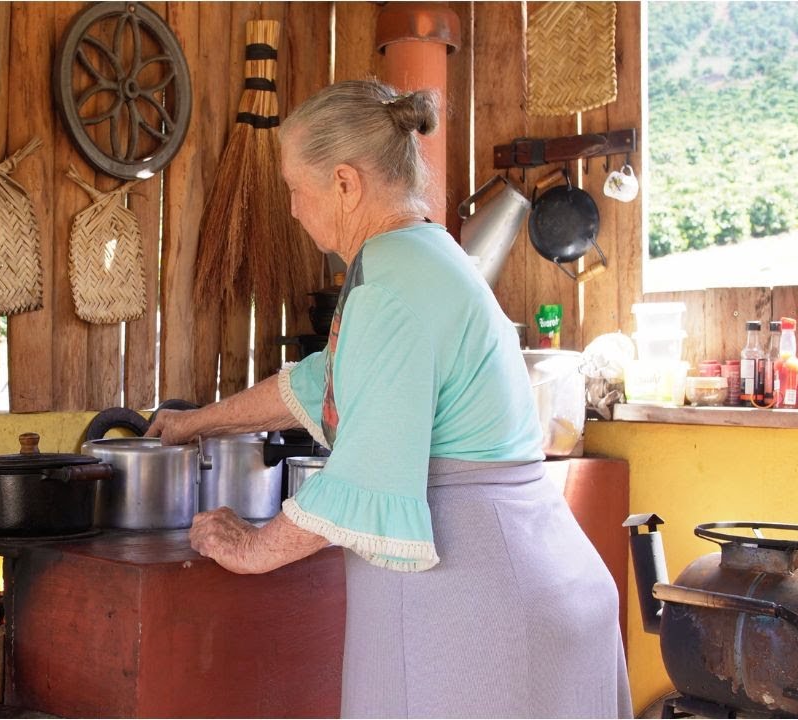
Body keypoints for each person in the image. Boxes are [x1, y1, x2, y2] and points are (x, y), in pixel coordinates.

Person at [146, 80, 632, 718]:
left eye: (296, 187)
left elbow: (366, 472)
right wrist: (194, 424)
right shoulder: (420, 254)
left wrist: (251, 547)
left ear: (345, 183)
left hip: (481, 614)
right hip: (530, 586)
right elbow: (324, 382)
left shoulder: (390, 285)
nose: (292, 209)